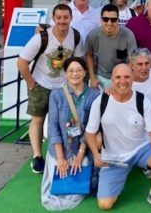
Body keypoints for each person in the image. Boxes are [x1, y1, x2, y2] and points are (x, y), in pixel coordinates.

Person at [85, 64, 151, 213]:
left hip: (141, 149)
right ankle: (116, 181)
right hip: (113, 157)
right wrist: (95, 154)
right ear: (112, 80)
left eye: (127, 77)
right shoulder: (100, 102)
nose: (122, 81)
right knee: (105, 205)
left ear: (132, 79)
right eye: (118, 77)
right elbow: (89, 133)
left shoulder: (142, 100)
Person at [17, 4, 84, 174]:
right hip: (41, 82)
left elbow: (77, 59)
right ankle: (37, 156)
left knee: (68, 119)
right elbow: (22, 62)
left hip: (64, 85)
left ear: (71, 18)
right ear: (53, 19)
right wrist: (31, 82)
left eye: (65, 17)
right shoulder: (41, 38)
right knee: (38, 119)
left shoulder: (75, 36)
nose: (62, 21)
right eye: (59, 17)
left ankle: (69, 150)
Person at [41, 57, 99, 210]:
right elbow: (53, 126)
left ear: (85, 72)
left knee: (76, 187)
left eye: (79, 70)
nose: (75, 74)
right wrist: (60, 158)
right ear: (65, 74)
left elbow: (92, 128)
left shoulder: (94, 95)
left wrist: (80, 155)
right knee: (57, 187)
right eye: (71, 71)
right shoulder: (56, 94)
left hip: (82, 148)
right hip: (61, 147)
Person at [85, 4, 137, 90]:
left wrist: (121, 79)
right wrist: (93, 77)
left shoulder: (128, 35)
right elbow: (89, 55)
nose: (109, 23)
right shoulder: (93, 35)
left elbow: (131, 60)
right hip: (99, 76)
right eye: (105, 19)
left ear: (118, 20)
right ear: (101, 20)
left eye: (113, 20)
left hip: (120, 77)